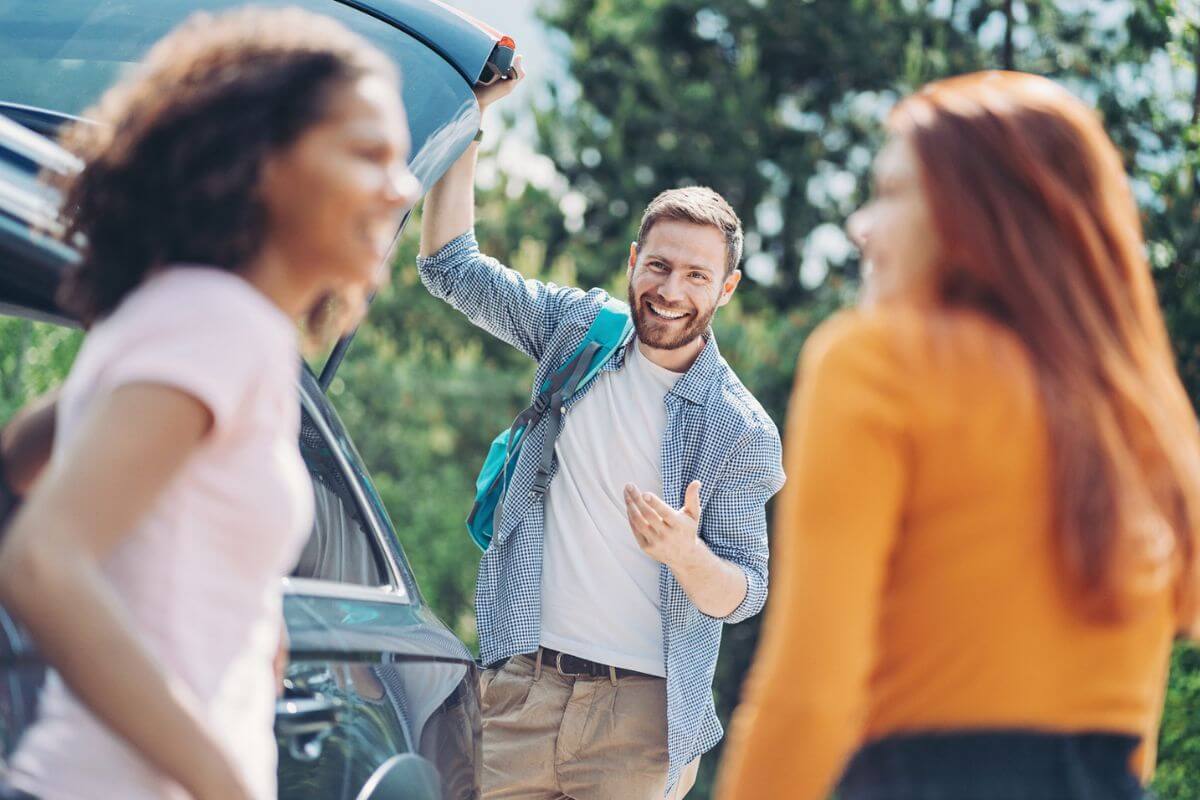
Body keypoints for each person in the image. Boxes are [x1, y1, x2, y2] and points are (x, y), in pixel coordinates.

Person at [715, 70, 1200, 800]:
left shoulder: (873, 363)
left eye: (891, 194)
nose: (861, 227)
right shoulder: (1141, 414)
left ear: (975, 216)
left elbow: (810, 697)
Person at [0, 8, 418, 799]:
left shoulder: (168, 321)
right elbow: (40, 561)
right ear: (258, 160)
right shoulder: (220, 322)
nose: (403, 187)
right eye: (369, 153)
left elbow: (15, 465)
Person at [417, 62, 786, 800]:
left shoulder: (739, 429)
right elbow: (448, 267)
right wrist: (469, 118)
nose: (671, 292)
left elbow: (743, 593)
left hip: (639, 721)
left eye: (696, 277)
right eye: (658, 266)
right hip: (520, 689)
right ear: (633, 261)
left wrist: (687, 555)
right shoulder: (576, 330)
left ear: (727, 288)